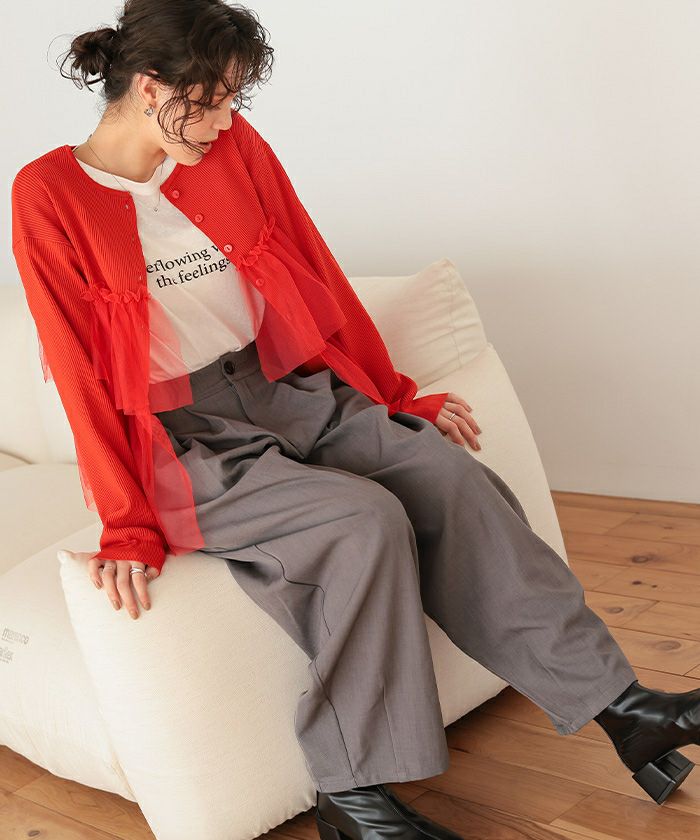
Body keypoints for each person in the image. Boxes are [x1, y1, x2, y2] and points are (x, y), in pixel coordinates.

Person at [11, 1, 700, 835]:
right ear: (151, 88)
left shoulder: (231, 150)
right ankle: (354, 793)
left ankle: (625, 707)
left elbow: (314, 266)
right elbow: (77, 370)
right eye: (214, 100)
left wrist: (395, 395)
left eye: (234, 101)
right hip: (181, 438)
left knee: (445, 475)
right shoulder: (48, 194)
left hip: (284, 385)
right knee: (359, 521)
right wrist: (126, 523)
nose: (227, 120)